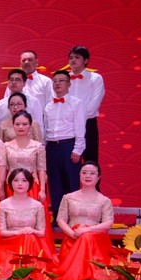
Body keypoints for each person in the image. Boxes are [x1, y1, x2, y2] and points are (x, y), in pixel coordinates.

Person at [54, 162, 114, 280]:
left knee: (87, 237)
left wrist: (86, 230)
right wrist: (72, 234)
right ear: (79, 175)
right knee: (84, 238)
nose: (88, 176)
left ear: (98, 177)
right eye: (84, 172)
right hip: (72, 238)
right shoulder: (68, 197)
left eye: (92, 173)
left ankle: (83, 273)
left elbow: (108, 223)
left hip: (94, 241)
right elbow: (60, 220)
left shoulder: (104, 200)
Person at [3, 110, 53, 244]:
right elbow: (5, 168)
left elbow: (41, 168)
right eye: (17, 124)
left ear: (30, 125)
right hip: (12, 186)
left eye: (24, 124)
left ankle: (38, 248)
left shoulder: (38, 146)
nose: (21, 127)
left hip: (33, 186)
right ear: (13, 125)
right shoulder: (6, 146)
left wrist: (42, 190)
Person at [43, 70, 86, 216]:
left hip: (68, 146)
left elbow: (80, 128)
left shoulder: (76, 103)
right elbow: (46, 129)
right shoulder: (48, 106)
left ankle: (74, 216)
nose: (57, 84)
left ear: (69, 84)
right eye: (54, 81)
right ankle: (58, 216)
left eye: (61, 81)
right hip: (51, 147)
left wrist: (78, 150)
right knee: (55, 183)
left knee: (71, 182)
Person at [0, 168, 56, 267]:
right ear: (10, 183)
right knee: (26, 237)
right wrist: (18, 233)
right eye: (16, 180)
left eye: (24, 180)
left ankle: (29, 266)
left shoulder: (37, 205)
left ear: (30, 183)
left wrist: (33, 231)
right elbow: (1, 231)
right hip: (11, 243)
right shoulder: (3, 204)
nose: (20, 184)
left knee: (28, 237)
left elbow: (41, 232)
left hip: (32, 243)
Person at [67, 46, 105, 167]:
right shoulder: (63, 79)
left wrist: (77, 117)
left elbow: (93, 105)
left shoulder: (95, 78)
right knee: (69, 161)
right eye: (71, 57)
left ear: (86, 60)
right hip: (68, 125)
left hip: (88, 124)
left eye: (77, 57)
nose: (73, 60)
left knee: (90, 160)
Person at [0, 70, 44, 134]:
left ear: (24, 83)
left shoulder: (34, 102)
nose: (14, 82)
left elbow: (39, 126)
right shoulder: (0, 104)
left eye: (17, 80)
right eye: (11, 80)